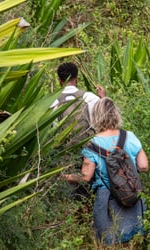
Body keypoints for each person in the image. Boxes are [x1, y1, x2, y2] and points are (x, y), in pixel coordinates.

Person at [61, 97, 149, 246]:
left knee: (109, 242)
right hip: (132, 196)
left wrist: (65, 177)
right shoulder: (130, 136)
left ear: (96, 116)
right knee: (134, 241)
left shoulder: (92, 144)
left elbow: (85, 177)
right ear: (116, 114)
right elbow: (144, 166)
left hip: (107, 200)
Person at [52, 62, 106, 201]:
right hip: (89, 152)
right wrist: (103, 98)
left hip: (64, 153)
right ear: (76, 79)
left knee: (68, 191)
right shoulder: (89, 97)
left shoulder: (52, 102)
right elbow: (104, 120)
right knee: (90, 190)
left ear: (60, 81)